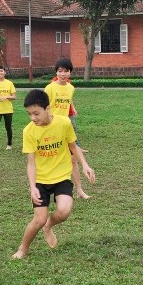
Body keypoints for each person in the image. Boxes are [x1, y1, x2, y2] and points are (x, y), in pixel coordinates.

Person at [12, 89, 95, 259]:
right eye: (29, 114)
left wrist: (85, 165)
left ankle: (49, 225)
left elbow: (73, 146)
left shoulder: (64, 123)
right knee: (38, 220)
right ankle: (23, 248)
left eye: (36, 113)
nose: (33, 118)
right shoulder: (29, 131)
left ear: (47, 108)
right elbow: (31, 162)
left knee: (64, 211)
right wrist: (33, 186)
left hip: (62, 177)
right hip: (41, 180)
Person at [44, 58, 91, 199]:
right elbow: (44, 107)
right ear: (56, 72)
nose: (63, 74)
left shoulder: (71, 88)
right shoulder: (50, 88)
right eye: (60, 71)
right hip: (51, 128)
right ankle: (43, 188)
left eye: (66, 71)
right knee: (50, 160)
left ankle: (80, 190)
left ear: (70, 72)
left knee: (73, 160)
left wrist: (74, 108)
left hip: (66, 128)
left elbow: (69, 101)